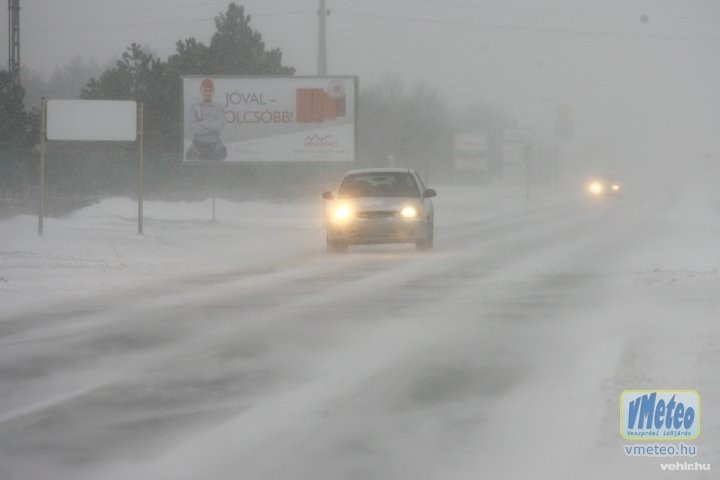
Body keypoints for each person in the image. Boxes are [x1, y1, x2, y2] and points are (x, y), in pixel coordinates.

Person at [186, 79, 227, 161]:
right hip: (197, 146)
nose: (207, 93)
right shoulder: (194, 107)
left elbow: (220, 126)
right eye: (205, 90)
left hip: (214, 146)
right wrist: (212, 128)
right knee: (198, 172)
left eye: (210, 90)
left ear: (213, 91)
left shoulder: (219, 107)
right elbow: (193, 129)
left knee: (214, 172)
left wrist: (202, 123)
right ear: (201, 91)